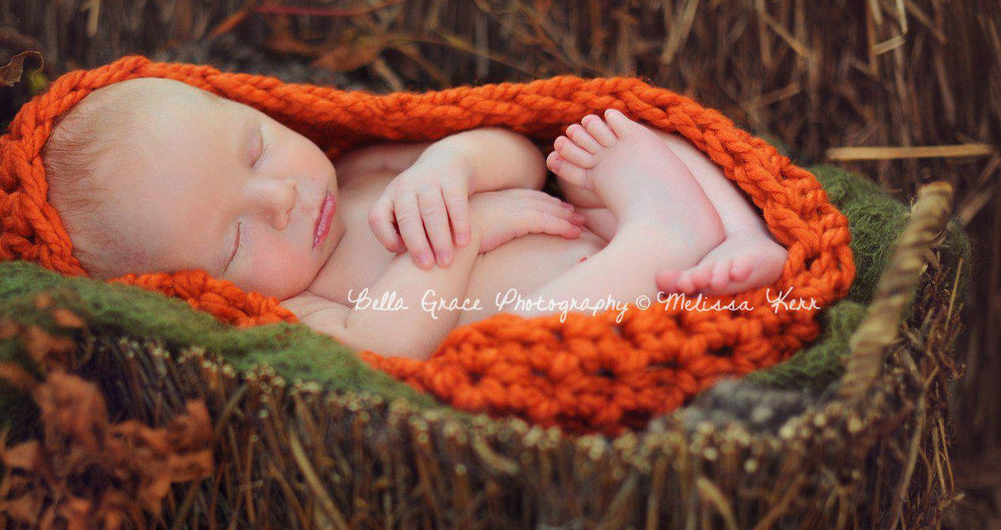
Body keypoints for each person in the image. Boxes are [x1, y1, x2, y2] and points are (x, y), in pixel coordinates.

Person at [42, 77, 787, 360]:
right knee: (519, 340)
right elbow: (386, 346)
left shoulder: (365, 165)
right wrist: (471, 234)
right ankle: (669, 241)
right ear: (192, 289)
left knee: (610, 133)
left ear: (255, 107)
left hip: (598, 227)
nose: (282, 199)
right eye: (236, 239)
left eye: (256, 148)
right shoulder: (297, 310)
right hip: (589, 307)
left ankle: (741, 235)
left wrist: (450, 168)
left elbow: (521, 157)